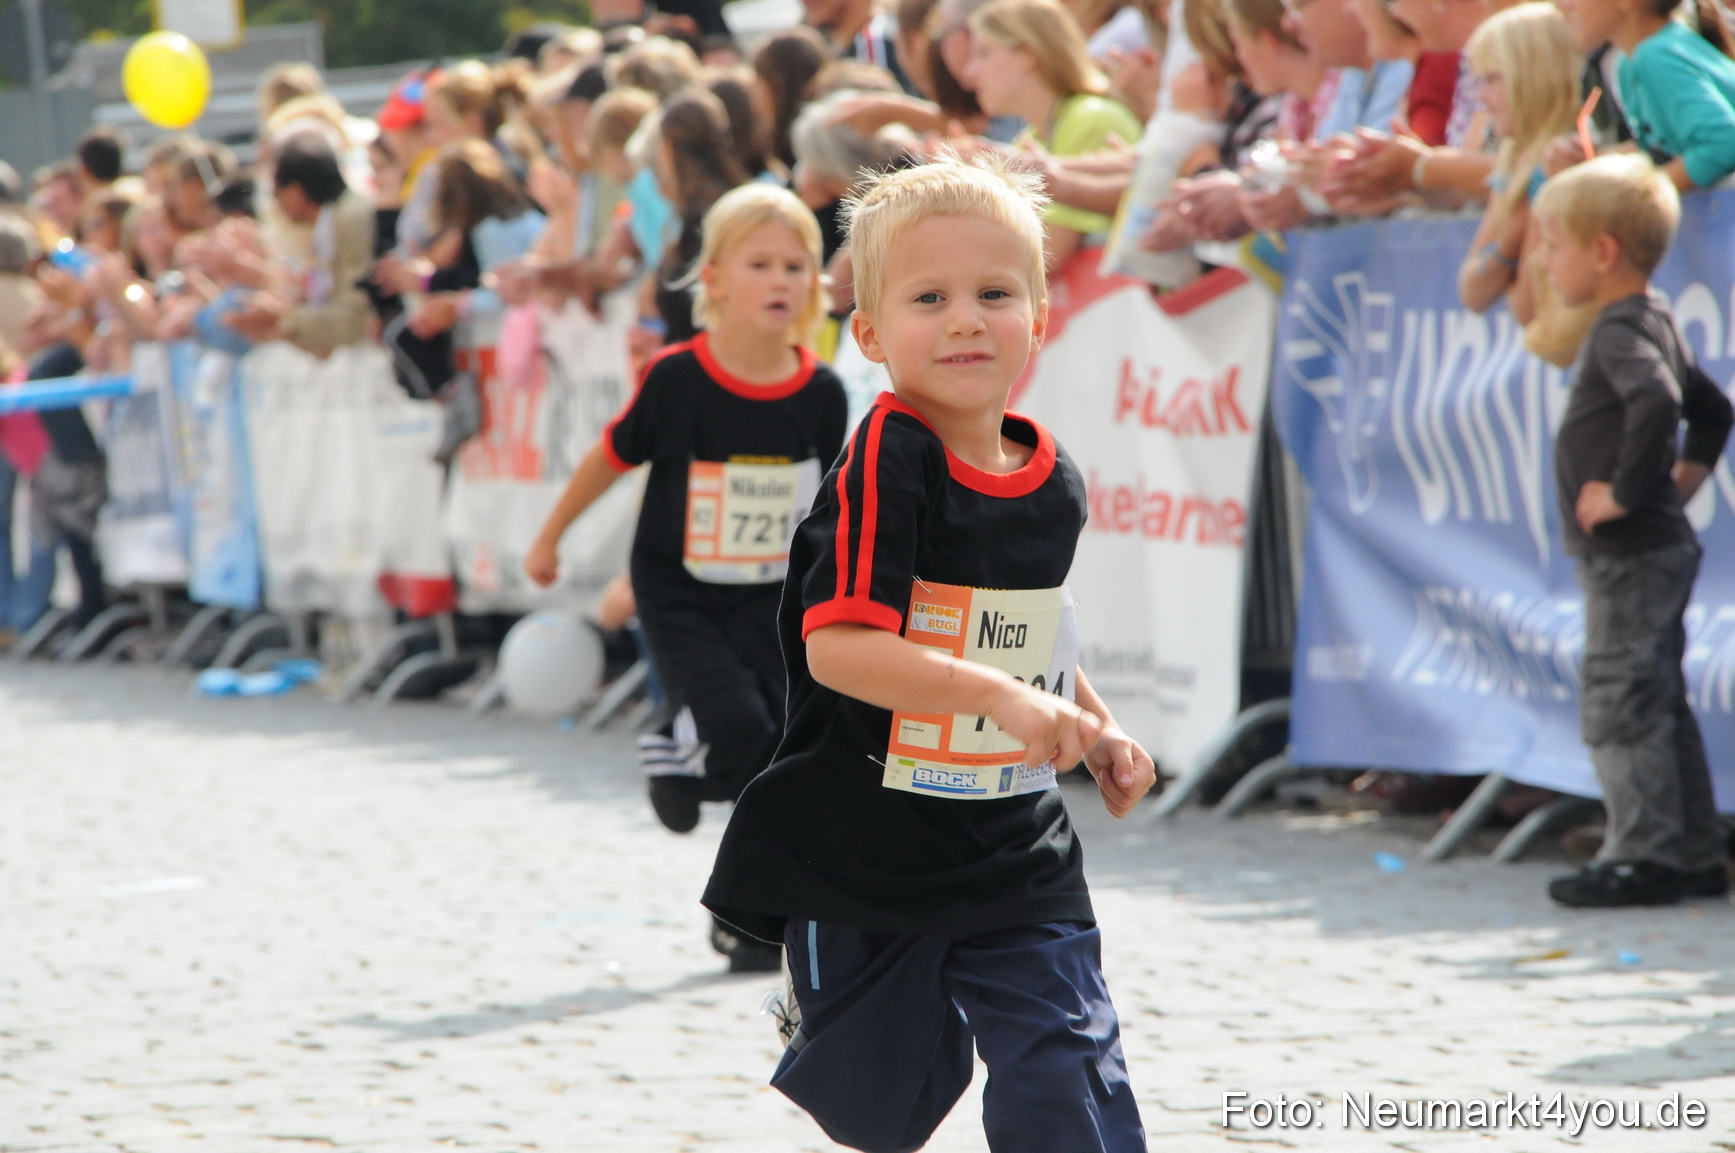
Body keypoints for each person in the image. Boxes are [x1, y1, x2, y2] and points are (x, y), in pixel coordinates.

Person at [702, 155, 1157, 1153]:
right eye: (929, 297)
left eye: (995, 293)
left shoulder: (1055, 478)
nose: (964, 319)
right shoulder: (888, 455)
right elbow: (842, 648)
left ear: (1040, 314)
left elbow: (1030, 636)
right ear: (867, 332)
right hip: (871, 835)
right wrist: (1002, 697)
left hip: (1010, 838)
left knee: (1065, 1057)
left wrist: (1097, 722)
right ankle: (830, 1008)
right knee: (878, 1106)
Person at [523, 184, 846, 903]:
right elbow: (612, 457)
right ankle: (683, 743)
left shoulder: (821, 391)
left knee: (777, 748)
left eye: (796, 266)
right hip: (679, 590)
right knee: (736, 722)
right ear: (714, 281)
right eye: (759, 264)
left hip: (771, 596)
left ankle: (745, 911)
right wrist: (551, 537)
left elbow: (828, 502)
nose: (780, 281)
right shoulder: (677, 378)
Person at [1533, 153, 1733, 907]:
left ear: (1601, 252)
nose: (1546, 262)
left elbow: (1654, 401)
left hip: (1629, 554)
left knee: (1618, 699)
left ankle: (1642, 852)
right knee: (1656, 696)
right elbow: (1712, 412)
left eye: (1552, 245)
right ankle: (1688, 850)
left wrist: (1626, 492)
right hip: (1653, 550)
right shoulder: (1653, 318)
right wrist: (1681, 481)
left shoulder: (1621, 331)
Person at [966, 0, 1143, 269]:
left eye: (984, 53)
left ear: (1028, 53)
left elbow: (1045, 256)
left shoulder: (1092, 118)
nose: (970, 72)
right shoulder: (1032, 138)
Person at [1456, 2, 1581, 316]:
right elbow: (1471, 291)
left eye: (1492, 79)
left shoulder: (1559, 159)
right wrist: (1512, 237)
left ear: (1532, 74)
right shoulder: (1516, 158)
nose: (1482, 98)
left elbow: (1526, 307)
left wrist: (1517, 231)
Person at [224, 131, 374, 356]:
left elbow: (354, 315)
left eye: (276, 195)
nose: (276, 206)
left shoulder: (351, 219)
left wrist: (283, 318)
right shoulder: (331, 221)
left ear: (295, 193)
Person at [1571, 0, 1735, 190]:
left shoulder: (1656, 55)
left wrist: (1643, 194)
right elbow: (1661, 149)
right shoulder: (1629, 64)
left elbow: (1724, 143)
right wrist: (1593, 162)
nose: (1562, 4)